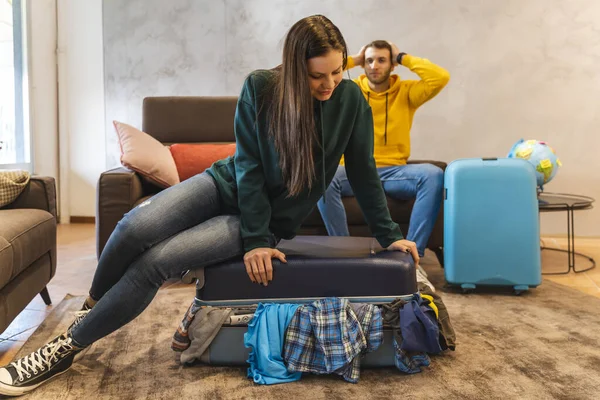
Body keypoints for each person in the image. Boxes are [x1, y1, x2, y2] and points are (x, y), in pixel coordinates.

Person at [0, 15, 418, 396]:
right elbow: (250, 166)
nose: (330, 84)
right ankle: (91, 307)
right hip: (223, 184)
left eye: (338, 70)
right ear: (294, 69)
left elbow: (363, 173)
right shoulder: (261, 87)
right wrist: (253, 236)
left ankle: (65, 349)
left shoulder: (351, 103)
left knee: (156, 263)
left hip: (266, 220)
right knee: (131, 227)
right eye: (316, 76)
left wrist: (389, 236)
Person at [317, 40, 450, 271]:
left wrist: (403, 57)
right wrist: (354, 59)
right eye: (369, 60)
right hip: (352, 171)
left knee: (433, 174)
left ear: (392, 65)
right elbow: (325, 75)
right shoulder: (351, 90)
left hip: (394, 172)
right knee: (322, 176)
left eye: (381, 60)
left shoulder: (407, 92)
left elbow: (440, 77)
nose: (374, 66)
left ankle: (411, 257)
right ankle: (344, 253)